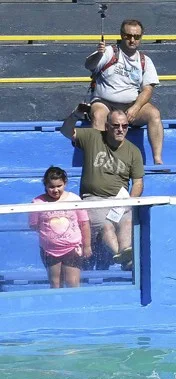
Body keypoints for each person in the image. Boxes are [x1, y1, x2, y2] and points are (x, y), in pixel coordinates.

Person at [61, 107, 144, 270]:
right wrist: (76, 114)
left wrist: (129, 202)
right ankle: (125, 259)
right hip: (94, 199)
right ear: (107, 126)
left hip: (121, 199)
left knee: (127, 222)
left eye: (125, 126)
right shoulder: (93, 137)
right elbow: (65, 131)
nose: (121, 129)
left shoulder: (133, 151)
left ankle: (125, 257)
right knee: (106, 226)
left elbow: (138, 182)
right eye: (116, 125)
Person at [85, 19, 164, 165]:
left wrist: (136, 107)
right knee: (98, 115)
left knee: (154, 114)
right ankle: (97, 161)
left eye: (136, 36)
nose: (132, 40)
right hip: (105, 103)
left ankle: (158, 159)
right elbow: (89, 65)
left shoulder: (144, 60)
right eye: (128, 36)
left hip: (130, 106)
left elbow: (148, 89)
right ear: (122, 35)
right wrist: (98, 54)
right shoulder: (109, 52)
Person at [29, 166, 92, 288]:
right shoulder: (37, 202)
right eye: (51, 187)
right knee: (55, 283)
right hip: (49, 250)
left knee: (72, 283)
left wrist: (87, 246)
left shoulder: (74, 199)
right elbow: (34, 225)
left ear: (65, 183)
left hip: (72, 248)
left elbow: (84, 223)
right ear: (45, 186)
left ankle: (74, 305)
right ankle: (56, 304)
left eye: (59, 186)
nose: (55, 190)